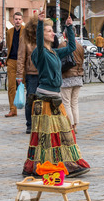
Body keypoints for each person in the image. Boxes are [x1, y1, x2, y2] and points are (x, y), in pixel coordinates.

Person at [22, 10, 90, 178]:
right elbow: (39, 39)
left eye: (52, 30)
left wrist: (69, 27)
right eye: (49, 30)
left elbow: (72, 47)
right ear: (40, 34)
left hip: (55, 98)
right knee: (46, 137)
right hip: (44, 100)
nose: (53, 33)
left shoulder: (53, 52)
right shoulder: (40, 53)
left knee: (63, 133)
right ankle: (44, 165)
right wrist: (39, 23)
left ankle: (67, 163)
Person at [16, 16, 39, 134]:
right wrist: (19, 75)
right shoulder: (25, 37)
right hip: (31, 72)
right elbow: (21, 57)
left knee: (43, 99)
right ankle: (29, 124)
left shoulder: (43, 36)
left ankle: (40, 123)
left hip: (43, 72)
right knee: (30, 99)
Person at [59, 29, 85, 134]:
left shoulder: (62, 45)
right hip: (78, 76)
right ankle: (75, 125)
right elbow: (82, 60)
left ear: (65, 34)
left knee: (66, 103)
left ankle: (69, 125)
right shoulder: (79, 46)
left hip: (67, 76)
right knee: (74, 103)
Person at [5, 12, 25, 118]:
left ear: (22, 20)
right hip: (12, 60)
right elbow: (9, 45)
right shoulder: (9, 32)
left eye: (19, 19)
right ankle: (13, 109)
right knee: (11, 87)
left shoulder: (25, 31)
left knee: (28, 84)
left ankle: (31, 108)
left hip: (23, 61)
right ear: (13, 20)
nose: (17, 21)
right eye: (16, 19)